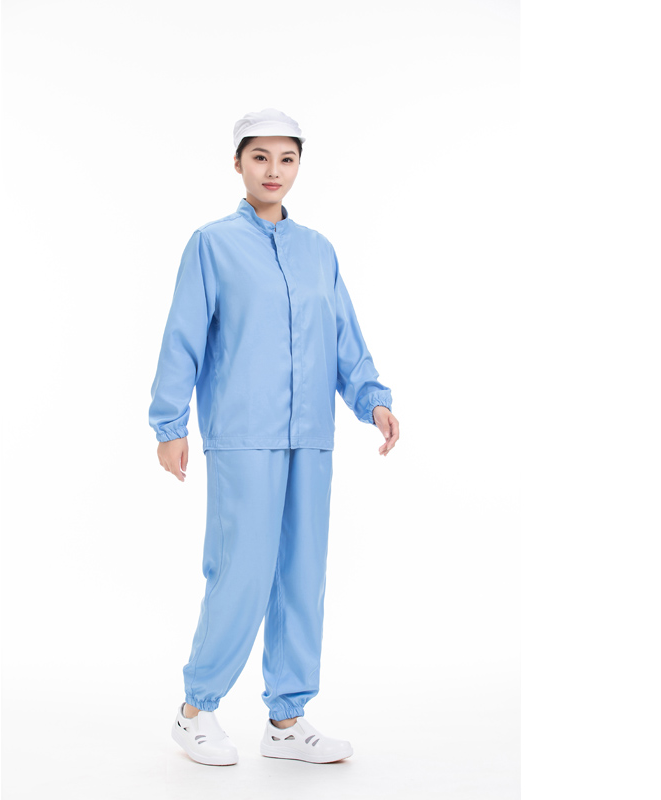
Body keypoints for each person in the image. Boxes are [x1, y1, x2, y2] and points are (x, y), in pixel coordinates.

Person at [149, 108, 399, 766]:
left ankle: (287, 721)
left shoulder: (318, 250)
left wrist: (372, 399)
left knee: (301, 575)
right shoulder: (212, 245)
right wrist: (169, 423)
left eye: (286, 158)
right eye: (260, 157)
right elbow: (183, 335)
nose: (273, 171)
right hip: (242, 433)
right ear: (238, 163)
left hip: (310, 435)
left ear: (299, 166)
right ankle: (195, 711)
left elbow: (343, 336)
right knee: (242, 569)